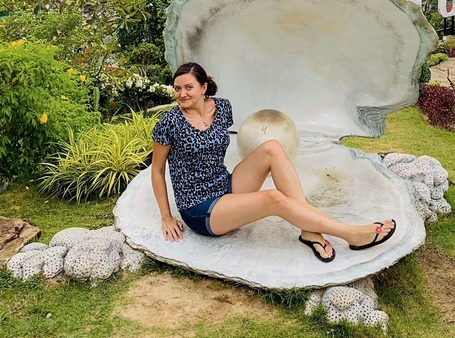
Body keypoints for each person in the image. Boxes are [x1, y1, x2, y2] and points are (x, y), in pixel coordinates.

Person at [151, 62, 396, 263]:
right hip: (201, 208)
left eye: (188, 87)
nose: (181, 94)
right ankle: (350, 234)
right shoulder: (169, 123)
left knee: (273, 148)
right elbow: (158, 170)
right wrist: (166, 216)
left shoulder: (222, 108)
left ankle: (309, 229)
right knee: (273, 199)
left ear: (204, 87)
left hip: (225, 185)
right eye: (177, 88)